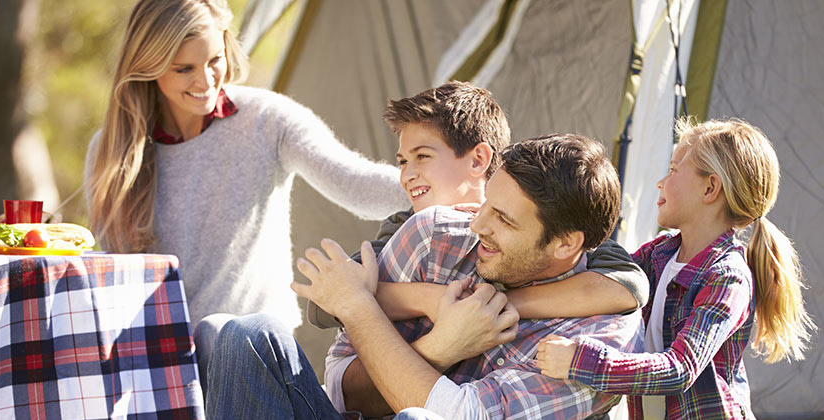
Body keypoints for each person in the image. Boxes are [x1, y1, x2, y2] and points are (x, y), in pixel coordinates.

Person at [206, 134, 643, 419]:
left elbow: (460, 416)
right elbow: (341, 387)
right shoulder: (438, 235)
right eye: (485, 203)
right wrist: (439, 348)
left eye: (504, 220)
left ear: (565, 244)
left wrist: (359, 308)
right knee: (246, 334)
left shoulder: (599, 344)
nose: (477, 225)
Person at [83, 0, 408, 332]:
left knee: (220, 332)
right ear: (148, 67)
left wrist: (439, 186)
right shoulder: (110, 152)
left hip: (255, 346)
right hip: (161, 359)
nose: (206, 80)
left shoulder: (268, 120)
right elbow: (114, 276)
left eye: (214, 60)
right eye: (184, 69)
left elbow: (353, 182)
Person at [307, 81, 647, 330]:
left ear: (479, 159)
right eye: (402, 162)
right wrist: (429, 299)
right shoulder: (402, 226)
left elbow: (629, 285)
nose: (407, 175)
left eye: (422, 157)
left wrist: (497, 305)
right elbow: (323, 306)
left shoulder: (539, 214)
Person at [534, 118, 816, 419]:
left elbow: (680, 369)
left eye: (673, 170)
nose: (660, 182)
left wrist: (581, 361)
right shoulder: (660, 253)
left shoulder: (728, 277)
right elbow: (606, 278)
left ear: (710, 188)